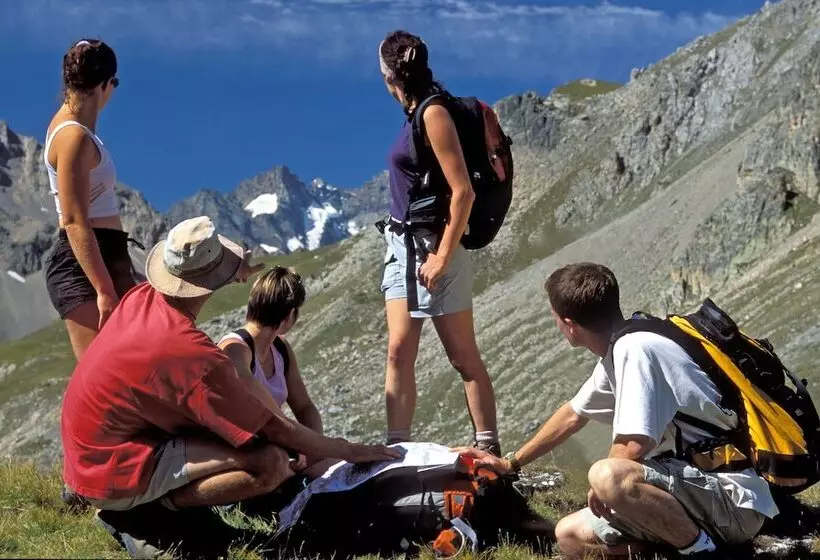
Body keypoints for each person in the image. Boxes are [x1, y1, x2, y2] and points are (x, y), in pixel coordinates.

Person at [61, 216, 400, 513]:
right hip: (111, 474)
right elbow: (275, 429)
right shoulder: (192, 353)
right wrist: (350, 451)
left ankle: (136, 498)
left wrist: (231, 270)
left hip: (86, 457)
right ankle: (156, 512)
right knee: (271, 463)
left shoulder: (141, 298)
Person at [459, 263, 778, 559]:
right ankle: (679, 546)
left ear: (569, 325)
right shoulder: (627, 341)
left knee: (607, 475)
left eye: (555, 317)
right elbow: (573, 414)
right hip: (690, 492)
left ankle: (704, 553)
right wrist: (510, 462)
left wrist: (603, 488)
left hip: (731, 499)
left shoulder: (634, 351)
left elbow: (632, 445)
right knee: (569, 536)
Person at [377, 30, 500, 455]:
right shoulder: (414, 113)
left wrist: (443, 256)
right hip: (400, 244)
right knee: (397, 350)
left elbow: (462, 191)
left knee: (462, 356)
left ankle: (489, 449)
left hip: (434, 247)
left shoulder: (433, 113)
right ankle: (397, 450)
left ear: (389, 71)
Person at [44, 38, 137, 361]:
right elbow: (73, 220)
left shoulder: (78, 131)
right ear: (105, 84)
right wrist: (104, 289)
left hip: (106, 254)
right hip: (85, 263)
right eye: (115, 83)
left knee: (131, 368)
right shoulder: (73, 136)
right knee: (106, 377)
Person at [218, 266, 334, 478]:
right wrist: (301, 445)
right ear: (289, 316)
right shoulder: (235, 350)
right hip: (246, 452)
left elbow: (304, 406)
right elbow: (263, 418)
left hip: (278, 443)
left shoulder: (280, 348)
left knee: (334, 462)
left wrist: (314, 446)